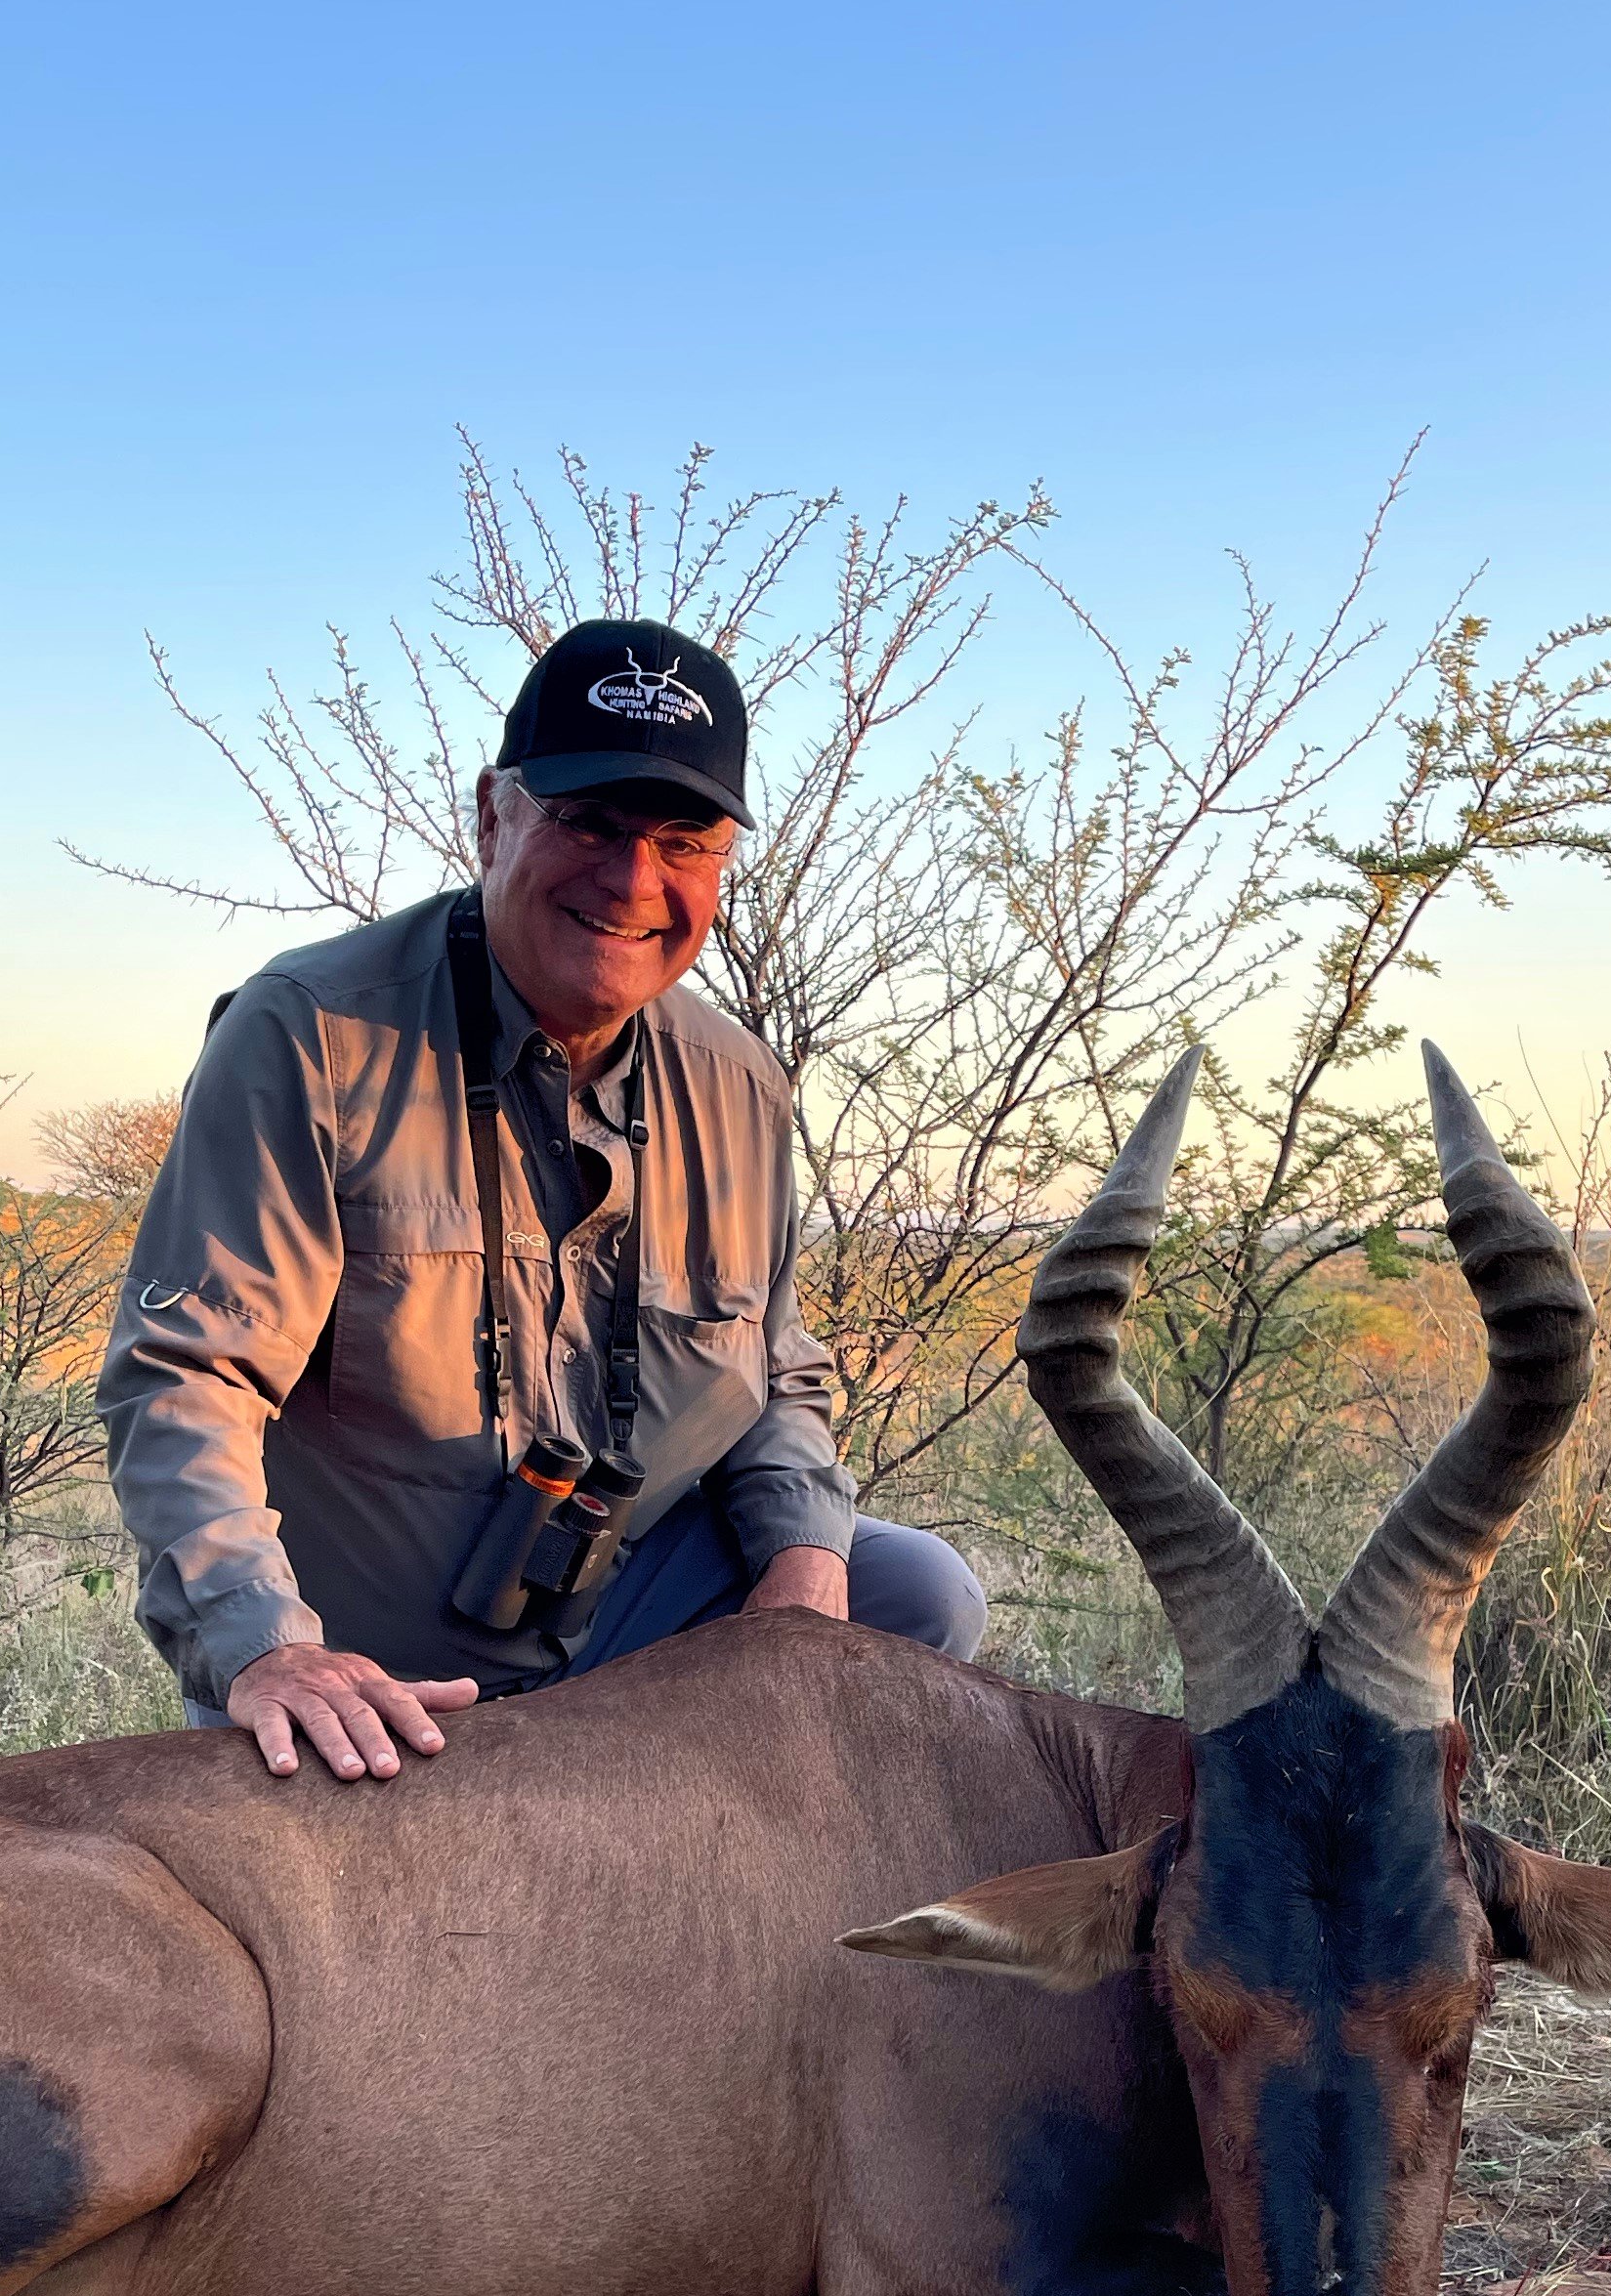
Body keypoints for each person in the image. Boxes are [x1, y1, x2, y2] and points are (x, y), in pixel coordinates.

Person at [96, 617, 986, 1779]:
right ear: (492, 815)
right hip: (385, 1657)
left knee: (911, 1595)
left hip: (629, 1626)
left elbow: (776, 1374)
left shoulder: (741, 1085)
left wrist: (805, 1568)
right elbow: (185, 1374)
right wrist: (264, 1646)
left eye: (685, 841)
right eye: (589, 823)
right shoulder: (311, 1033)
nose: (632, 881)